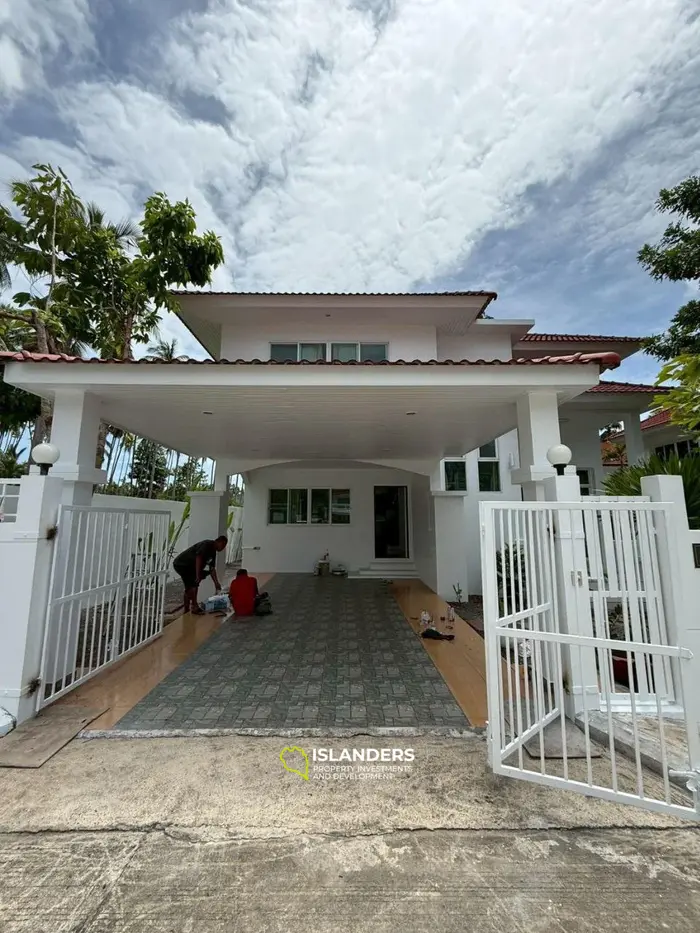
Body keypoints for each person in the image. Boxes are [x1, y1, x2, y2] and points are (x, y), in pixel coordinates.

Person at [173, 536, 228, 615]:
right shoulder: (207, 544)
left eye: (224, 546)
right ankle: (194, 606)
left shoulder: (213, 552)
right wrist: (198, 575)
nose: (223, 548)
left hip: (191, 567)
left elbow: (212, 568)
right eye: (222, 545)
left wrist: (216, 583)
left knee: (192, 586)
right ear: (217, 541)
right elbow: (199, 557)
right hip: (182, 564)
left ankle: (188, 608)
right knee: (192, 586)